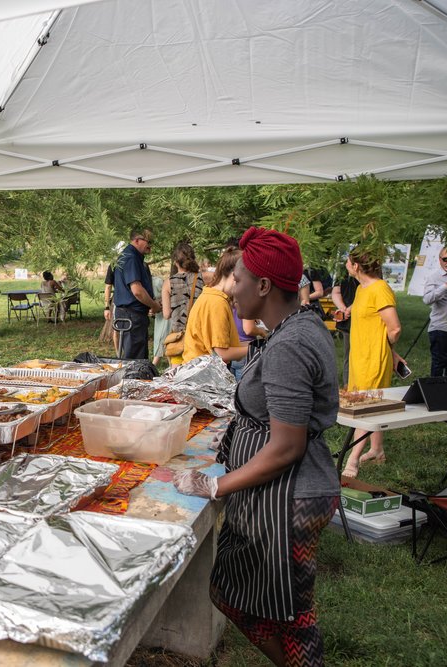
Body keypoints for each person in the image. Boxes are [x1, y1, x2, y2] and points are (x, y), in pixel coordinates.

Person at [174, 226, 340, 667]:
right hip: (276, 494)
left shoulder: (291, 344)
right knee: (231, 593)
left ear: (264, 285)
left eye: (241, 280)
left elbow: (287, 446)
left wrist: (217, 486)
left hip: (290, 498)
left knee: (292, 616)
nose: (232, 289)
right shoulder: (295, 327)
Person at [343, 246, 403, 476]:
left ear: (356, 266)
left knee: (365, 409)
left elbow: (395, 328)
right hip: (359, 357)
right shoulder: (361, 289)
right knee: (371, 406)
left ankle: (353, 459)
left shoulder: (380, 289)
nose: (347, 265)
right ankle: (376, 449)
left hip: (373, 359)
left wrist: (386, 350)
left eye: (348, 262)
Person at [182, 248, 247, 364]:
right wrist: (255, 350)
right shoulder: (217, 302)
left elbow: (230, 346)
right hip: (201, 376)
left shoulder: (212, 296)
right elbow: (222, 354)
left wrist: (258, 344)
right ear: (235, 276)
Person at [112, 230, 161, 359]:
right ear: (137, 240)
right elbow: (137, 291)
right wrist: (154, 305)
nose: (150, 245)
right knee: (134, 361)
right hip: (132, 316)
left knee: (137, 358)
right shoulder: (131, 258)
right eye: (148, 241)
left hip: (132, 314)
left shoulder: (132, 257)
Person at [423, 247, 447, 384]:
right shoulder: (434, 277)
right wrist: (446, 286)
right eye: (445, 259)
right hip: (441, 328)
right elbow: (427, 299)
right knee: (439, 364)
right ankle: (435, 394)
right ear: (440, 260)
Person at [163, 242, 204, 366]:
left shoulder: (168, 283)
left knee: (177, 381)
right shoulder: (203, 279)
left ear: (175, 261)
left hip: (179, 340)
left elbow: (166, 314)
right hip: (199, 339)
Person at [330, 267, 359, 386]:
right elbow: (336, 292)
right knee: (350, 354)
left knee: (352, 355)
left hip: (357, 317)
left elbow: (366, 295)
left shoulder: (366, 274)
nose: (346, 264)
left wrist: (345, 309)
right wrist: (344, 308)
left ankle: (352, 385)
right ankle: (349, 386)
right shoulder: (343, 271)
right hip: (350, 320)